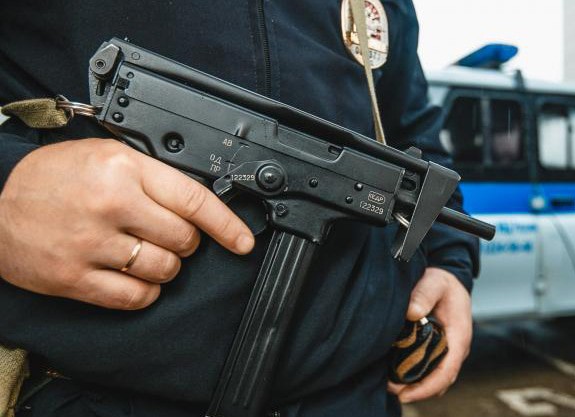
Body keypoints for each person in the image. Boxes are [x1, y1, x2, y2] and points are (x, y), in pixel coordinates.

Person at [0, 1, 479, 417]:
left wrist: (449, 262)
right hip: (74, 392)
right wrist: (7, 190)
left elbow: (414, 134)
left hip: (354, 395)